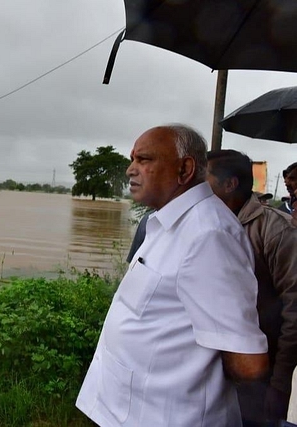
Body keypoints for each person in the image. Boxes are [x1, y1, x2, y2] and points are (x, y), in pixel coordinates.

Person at [76, 124, 268, 426]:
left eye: (144, 160)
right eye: (132, 160)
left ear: (184, 169)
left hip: (166, 416)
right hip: (128, 410)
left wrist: (195, 379)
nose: (130, 170)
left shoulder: (208, 235)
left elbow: (247, 362)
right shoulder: (166, 222)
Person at [207, 149, 297, 425]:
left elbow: (294, 313)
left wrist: (279, 384)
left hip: (261, 376)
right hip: (214, 370)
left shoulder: (276, 231)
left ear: (229, 184)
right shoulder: (205, 225)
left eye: (204, 180)